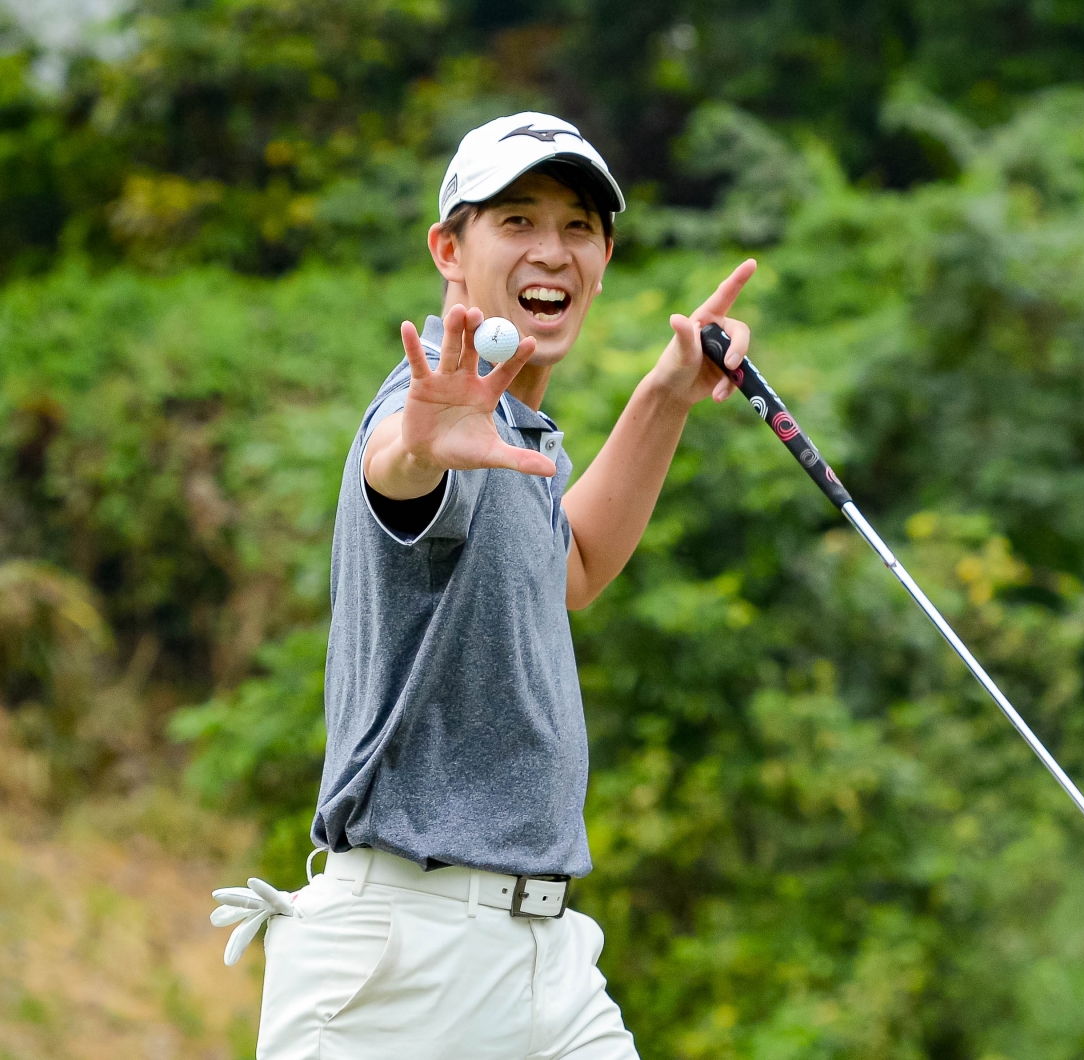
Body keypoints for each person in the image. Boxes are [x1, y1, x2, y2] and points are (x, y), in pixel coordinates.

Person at [219, 112, 756, 1059]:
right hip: (402, 967)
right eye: (515, 220)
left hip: (546, 961)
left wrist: (667, 392)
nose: (552, 250)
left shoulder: (516, 433)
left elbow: (575, 570)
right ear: (448, 251)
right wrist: (421, 443)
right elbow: (399, 467)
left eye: (578, 226)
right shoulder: (435, 411)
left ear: (604, 256)